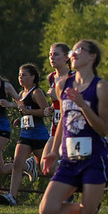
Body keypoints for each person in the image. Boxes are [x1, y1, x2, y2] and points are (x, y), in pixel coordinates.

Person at [38, 40, 108, 214]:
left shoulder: (101, 87)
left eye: (79, 50)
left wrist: (83, 105)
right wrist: (53, 149)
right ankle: (86, 209)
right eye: (73, 51)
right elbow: (63, 122)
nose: (74, 54)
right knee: (47, 211)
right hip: (70, 160)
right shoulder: (62, 84)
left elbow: (103, 128)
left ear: (92, 57)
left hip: (94, 158)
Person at [0, 64, 49, 206]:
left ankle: (65, 190)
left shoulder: (36, 92)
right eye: (20, 75)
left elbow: (45, 111)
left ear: (33, 77)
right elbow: (24, 111)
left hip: (39, 136)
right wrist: (20, 119)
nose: (21, 78)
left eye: (24, 75)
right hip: (25, 134)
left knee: (46, 169)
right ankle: (12, 197)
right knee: (18, 163)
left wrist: (28, 111)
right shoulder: (21, 94)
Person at [42, 43, 75, 176]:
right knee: (45, 166)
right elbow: (56, 104)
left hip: (72, 127)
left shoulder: (74, 77)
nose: (52, 58)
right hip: (56, 127)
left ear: (66, 57)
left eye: (56, 54)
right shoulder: (51, 77)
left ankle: (66, 192)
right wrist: (50, 108)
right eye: (50, 55)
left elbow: (76, 104)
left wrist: (58, 96)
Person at [0, 75, 20, 178]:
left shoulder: (6, 86)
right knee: (1, 170)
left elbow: (22, 103)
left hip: (2, 128)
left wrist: (9, 104)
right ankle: (26, 165)